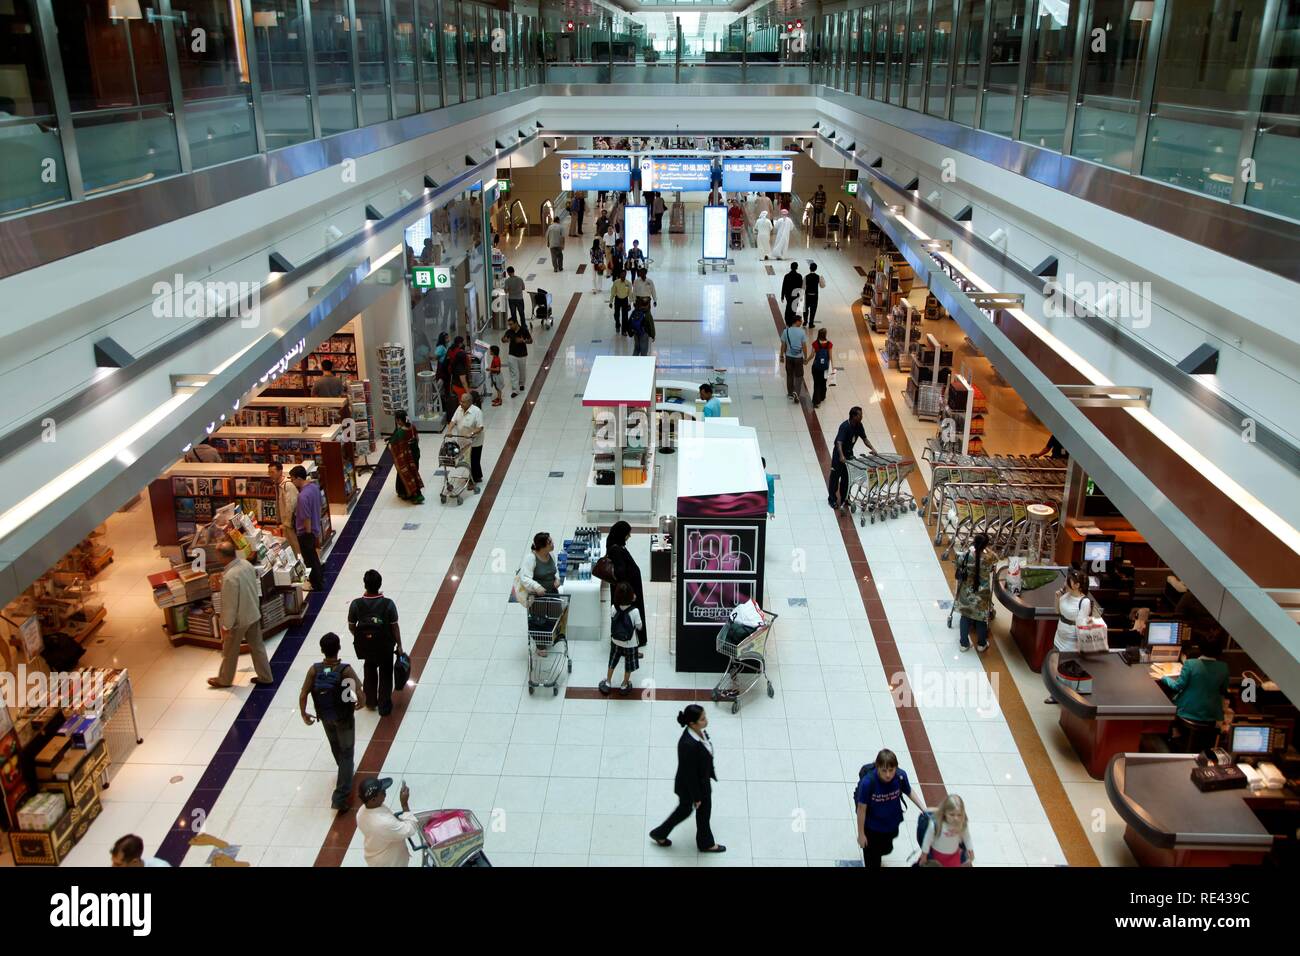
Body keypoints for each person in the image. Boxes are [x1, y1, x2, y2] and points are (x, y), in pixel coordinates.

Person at [299, 631, 364, 810]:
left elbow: (304, 693)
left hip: (325, 716)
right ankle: (340, 796)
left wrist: (304, 714)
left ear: (322, 650)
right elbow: (358, 690)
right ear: (339, 648)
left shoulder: (314, 670)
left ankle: (344, 770)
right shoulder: (345, 670)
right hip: (344, 717)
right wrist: (361, 702)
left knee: (336, 746)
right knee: (347, 751)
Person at [649, 705, 726, 853]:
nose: (706, 720)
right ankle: (705, 843)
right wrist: (696, 797)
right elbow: (689, 775)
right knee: (701, 811)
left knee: (686, 810)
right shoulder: (688, 745)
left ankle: (659, 833)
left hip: (699, 782)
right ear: (692, 723)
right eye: (702, 719)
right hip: (692, 787)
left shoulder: (697, 733)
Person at [207, 540, 274, 688]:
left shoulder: (230, 577)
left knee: (230, 651)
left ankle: (224, 679)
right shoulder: (246, 565)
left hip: (239, 620)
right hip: (253, 612)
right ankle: (266, 676)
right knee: (257, 647)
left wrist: (226, 626)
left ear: (222, 556)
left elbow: (229, 606)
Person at [855, 748, 927, 868]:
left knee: (886, 849)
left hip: (891, 823)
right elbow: (861, 809)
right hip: (871, 827)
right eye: (884, 770)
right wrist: (861, 834)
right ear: (877, 767)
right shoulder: (868, 783)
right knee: (872, 857)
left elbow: (908, 791)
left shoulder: (900, 776)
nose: (888, 774)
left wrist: (923, 808)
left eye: (891, 770)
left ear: (896, 768)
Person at [1161, 632, 1230, 753]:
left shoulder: (1191, 664)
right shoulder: (1223, 667)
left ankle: (1174, 734)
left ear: (1200, 647)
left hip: (1187, 712)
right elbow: (1223, 690)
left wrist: (1164, 677)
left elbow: (1177, 686)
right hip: (1211, 716)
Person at [348, 570, 403, 717]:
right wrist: (399, 645)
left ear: (365, 584)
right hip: (385, 646)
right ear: (380, 584)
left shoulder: (356, 604)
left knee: (369, 670)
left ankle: (370, 702)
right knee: (386, 673)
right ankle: (384, 706)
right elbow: (394, 626)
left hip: (367, 646)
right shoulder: (388, 604)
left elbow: (351, 625)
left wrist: (361, 638)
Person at [1045, 567, 1098, 703]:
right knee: (1057, 666)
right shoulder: (1065, 595)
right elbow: (1057, 612)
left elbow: (1081, 624)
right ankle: (1055, 694)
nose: (1065, 584)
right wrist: (1057, 598)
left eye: (1068, 582)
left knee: (1067, 670)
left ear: (1077, 585)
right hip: (1059, 636)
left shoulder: (1084, 602)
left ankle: (1066, 696)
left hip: (1071, 642)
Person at [356, 777, 417, 867]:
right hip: (390, 863)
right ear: (373, 800)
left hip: (376, 858)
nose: (385, 792)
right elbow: (410, 829)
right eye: (382, 792)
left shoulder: (361, 812)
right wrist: (404, 804)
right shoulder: (383, 823)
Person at [599, 582, 644, 696]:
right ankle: (624, 684)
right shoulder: (634, 611)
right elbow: (639, 626)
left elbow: (612, 617)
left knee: (612, 661)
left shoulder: (614, 607)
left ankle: (608, 682)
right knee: (628, 665)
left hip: (615, 641)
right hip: (630, 643)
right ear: (631, 596)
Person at [953, 533, 994, 653]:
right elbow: (996, 559)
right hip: (982, 592)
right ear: (985, 545)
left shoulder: (967, 555)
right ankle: (981, 644)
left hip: (967, 592)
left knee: (965, 617)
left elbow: (957, 562)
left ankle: (964, 644)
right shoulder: (989, 557)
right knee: (981, 619)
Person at [605, 520, 647, 636]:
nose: (629, 536)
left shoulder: (614, 543)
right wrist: (629, 593)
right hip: (626, 590)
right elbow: (621, 573)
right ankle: (628, 641)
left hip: (625, 588)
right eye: (627, 534)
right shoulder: (616, 550)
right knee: (628, 617)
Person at [828, 406, 875, 509]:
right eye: (860, 415)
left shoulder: (859, 425)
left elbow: (865, 439)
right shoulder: (844, 426)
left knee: (847, 478)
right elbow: (839, 442)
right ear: (853, 416)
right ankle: (832, 499)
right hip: (839, 455)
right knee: (835, 478)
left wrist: (873, 449)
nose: (862, 416)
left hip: (849, 455)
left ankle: (845, 498)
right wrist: (841, 456)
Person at [291, 464, 325, 590]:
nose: (292, 482)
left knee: (309, 559)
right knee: (314, 557)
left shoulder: (302, 496)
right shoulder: (315, 488)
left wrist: (308, 535)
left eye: (293, 479)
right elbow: (320, 505)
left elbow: (306, 517)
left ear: (299, 478)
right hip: (315, 528)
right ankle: (319, 578)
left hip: (306, 532)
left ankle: (316, 583)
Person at [919, 794, 974, 867]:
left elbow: (967, 838)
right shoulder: (936, 824)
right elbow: (927, 840)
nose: (956, 818)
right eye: (952, 814)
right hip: (935, 857)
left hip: (954, 856)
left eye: (959, 815)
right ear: (944, 812)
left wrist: (970, 850)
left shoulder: (962, 824)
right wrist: (924, 855)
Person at [388, 409, 425, 504]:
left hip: (406, 458)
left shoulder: (400, 432)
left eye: (397, 420)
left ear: (399, 420)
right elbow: (417, 439)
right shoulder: (412, 427)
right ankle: (418, 493)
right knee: (414, 472)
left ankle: (409, 494)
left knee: (406, 474)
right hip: (415, 454)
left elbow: (392, 445)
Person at [451, 390, 485, 490]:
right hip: (463, 441)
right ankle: (477, 476)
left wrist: (471, 434)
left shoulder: (477, 412)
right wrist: (449, 430)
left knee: (474, 460)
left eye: (463, 402)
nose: (460, 403)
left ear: (470, 402)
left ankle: (472, 480)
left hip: (475, 441)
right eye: (460, 401)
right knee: (469, 460)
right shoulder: (459, 409)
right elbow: (453, 420)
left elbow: (480, 427)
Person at [268, 461, 300, 556]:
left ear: (280, 471)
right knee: (290, 545)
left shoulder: (288, 485)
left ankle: (301, 564)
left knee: (295, 545)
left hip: (290, 523)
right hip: (285, 523)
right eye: (269, 472)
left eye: (272, 472)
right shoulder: (278, 485)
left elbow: (291, 505)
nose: (270, 475)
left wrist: (287, 523)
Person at [780, 315, 809, 401]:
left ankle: (790, 393)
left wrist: (781, 355)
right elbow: (804, 346)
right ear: (796, 321)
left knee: (789, 375)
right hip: (798, 358)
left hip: (789, 357)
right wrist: (805, 357)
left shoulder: (786, 331)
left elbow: (783, 345)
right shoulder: (802, 332)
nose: (801, 322)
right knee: (799, 376)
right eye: (801, 321)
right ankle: (796, 392)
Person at [501, 318, 532, 398]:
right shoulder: (509, 332)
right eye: (509, 324)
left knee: (522, 371)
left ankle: (521, 384)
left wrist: (523, 341)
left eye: (511, 324)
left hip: (522, 354)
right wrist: (504, 340)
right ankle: (515, 390)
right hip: (512, 354)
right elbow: (503, 339)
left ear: (516, 323)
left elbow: (530, 340)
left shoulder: (524, 330)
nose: (510, 326)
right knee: (513, 373)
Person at [810, 327, 833, 408]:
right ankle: (822, 396)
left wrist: (806, 360)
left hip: (816, 367)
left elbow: (812, 355)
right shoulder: (829, 344)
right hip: (825, 367)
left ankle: (816, 401)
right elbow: (830, 357)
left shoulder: (815, 343)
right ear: (825, 334)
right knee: (823, 382)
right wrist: (831, 367)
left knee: (816, 383)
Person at [608, 269, 632, 334]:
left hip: (625, 300)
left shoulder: (628, 283)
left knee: (625, 316)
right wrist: (610, 302)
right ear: (620, 275)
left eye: (624, 274)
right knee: (616, 315)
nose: (623, 275)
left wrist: (629, 303)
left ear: (626, 274)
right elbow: (613, 292)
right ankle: (618, 325)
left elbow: (630, 294)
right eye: (622, 274)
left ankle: (624, 330)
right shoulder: (616, 282)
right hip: (617, 299)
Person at [803, 262, 825, 327]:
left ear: (809, 268)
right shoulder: (818, 277)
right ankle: (811, 323)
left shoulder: (806, 277)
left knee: (805, 309)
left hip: (807, 295)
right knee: (813, 310)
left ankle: (805, 322)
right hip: (815, 296)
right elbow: (822, 286)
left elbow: (803, 287)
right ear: (816, 269)